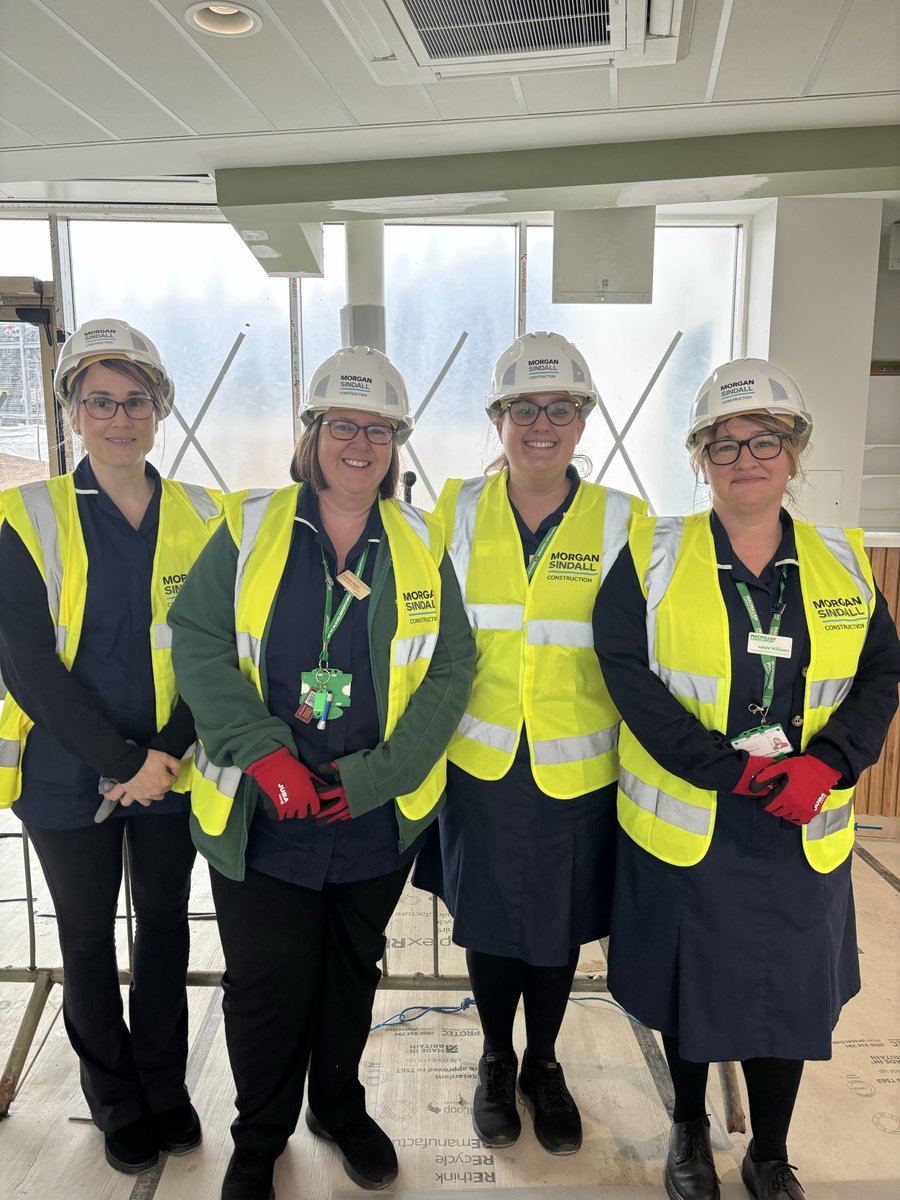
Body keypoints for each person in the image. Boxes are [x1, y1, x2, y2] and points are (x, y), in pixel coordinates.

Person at [167, 345, 475, 1200]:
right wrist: (262, 751)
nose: (360, 444)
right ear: (311, 435)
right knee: (265, 984)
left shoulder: (418, 540)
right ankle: (259, 1138)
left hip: (372, 817)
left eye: (378, 430)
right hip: (264, 813)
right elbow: (194, 641)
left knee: (349, 970)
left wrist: (377, 778)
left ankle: (338, 1106)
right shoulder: (250, 525)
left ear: (395, 444)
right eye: (343, 424)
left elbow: (451, 667)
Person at [593, 358, 900, 1200]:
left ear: (794, 454)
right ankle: (689, 1129)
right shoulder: (652, 556)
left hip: (803, 827)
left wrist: (829, 765)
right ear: (699, 459)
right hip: (696, 823)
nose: (745, 458)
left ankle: (769, 1149)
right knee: (692, 990)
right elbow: (628, 677)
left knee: (786, 997)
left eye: (766, 440)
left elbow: (881, 676)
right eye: (723, 445)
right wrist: (730, 771)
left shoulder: (840, 562)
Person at [414, 331, 647, 1155]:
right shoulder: (454, 512)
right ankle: (492, 1057)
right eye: (523, 408)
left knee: (554, 930)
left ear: (582, 420)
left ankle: (543, 1063)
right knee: (486, 923)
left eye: (560, 409)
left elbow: (644, 651)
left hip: (577, 768)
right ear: (498, 418)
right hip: (478, 762)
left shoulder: (627, 521)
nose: (540, 424)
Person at [0, 319, 222, 1174]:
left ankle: (164, 1085)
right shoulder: (26, 518)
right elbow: (27, 666)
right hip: (65, 773)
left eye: (135, 401)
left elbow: (220, 646)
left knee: (165, 925)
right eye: (100, 402)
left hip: (174, 764)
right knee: (87, 935)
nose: (119, 418)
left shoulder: (206, 515)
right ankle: (113, 1095)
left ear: (160, 409)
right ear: (71, 413)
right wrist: (121, 761)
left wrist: (164, 753)